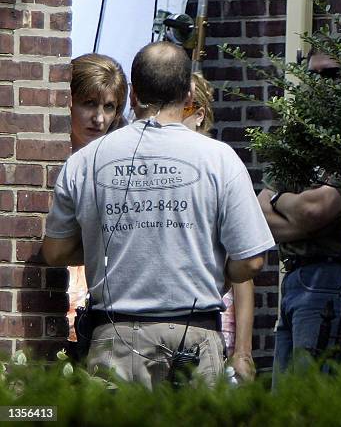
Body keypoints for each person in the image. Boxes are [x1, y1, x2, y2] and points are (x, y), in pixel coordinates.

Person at [42, 42, 274, 389]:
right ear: (189, 92)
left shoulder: (85, 161)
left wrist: (105, 244)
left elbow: (55, 252)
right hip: (195, 337)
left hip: (116, 337)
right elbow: (252, 261)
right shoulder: (220, 159)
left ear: (133, 96)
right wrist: (217, 270)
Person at [258, 49, 341, 383]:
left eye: (331, 74)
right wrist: (299, 216)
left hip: (335, 280)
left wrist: (281, 200)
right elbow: (258, 213)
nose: (321, 84)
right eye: (313, 75)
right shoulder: (298, 141)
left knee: (317, 402)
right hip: (296, 281)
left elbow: (316, 209)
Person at [182, 71, 256, 382]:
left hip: (214, 321)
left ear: (199, 115)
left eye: (180, 107)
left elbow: (245, 267)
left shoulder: (220, 166)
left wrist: (243, 350)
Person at [66, 53, 128, 342]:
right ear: (68, 102)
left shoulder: (123, 164)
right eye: (89, 103)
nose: (99, 118)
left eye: (109, 106)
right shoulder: (49, 163)